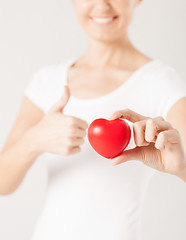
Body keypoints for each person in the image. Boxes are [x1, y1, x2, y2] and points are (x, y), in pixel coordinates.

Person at [0, 0, 186, 239]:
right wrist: (33, 141)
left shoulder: (161, 82)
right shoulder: (46, 82)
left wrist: (182, 167)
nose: (101, 5)